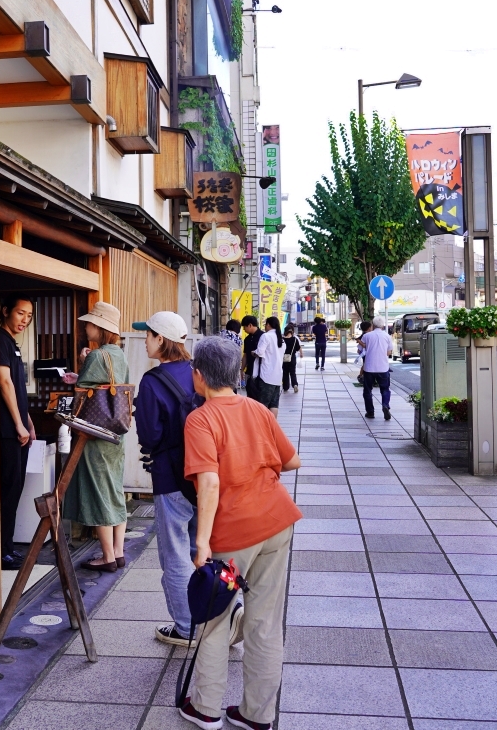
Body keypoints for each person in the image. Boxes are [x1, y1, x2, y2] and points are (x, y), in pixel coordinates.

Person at [177, 336, 302, 730]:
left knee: (216, 620)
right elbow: (292, 460)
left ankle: (206, 708)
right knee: (265, 622)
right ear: (238, 372)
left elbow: (209, 484)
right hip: (277, 524)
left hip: (233, 539)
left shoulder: (200, 419)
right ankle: (257, 715)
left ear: (199, 376)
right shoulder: (257, 408)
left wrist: (201, 544)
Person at [132, 311, 200, 646]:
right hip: (205, 477)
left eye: (148, 335)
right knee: (203, 550)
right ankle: (221, 618)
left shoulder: (153, 381)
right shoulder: (199, 374)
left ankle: (187, 628)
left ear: (162, 339)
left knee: (174, 554)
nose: (145, 340)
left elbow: (149, 435)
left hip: (170, 477)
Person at [63, 301, 130, 573]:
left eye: (90, 323)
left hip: (95, 433)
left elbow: (83, 392)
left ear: (100, 328)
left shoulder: (96, 355)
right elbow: (108, 387)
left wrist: (82, 364)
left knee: (98, 491)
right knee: (114, 489)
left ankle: (106, 556)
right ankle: (118, 551)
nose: (86, 326)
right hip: (116, 431)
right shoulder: (119, 354)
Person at [0, 295, 36, 570]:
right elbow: (4, 382)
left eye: (29, 316)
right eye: (20, 313)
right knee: (9, 490)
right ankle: (2, 552)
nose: (24, 320)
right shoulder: (0, 339)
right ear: (6, 311)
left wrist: (29, 421)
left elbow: (19, 391)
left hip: (19, 429)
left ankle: (8, 548)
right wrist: (19, 425)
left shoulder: (13, 343)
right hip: (8, 432)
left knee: (16, 489)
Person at [359, 315, 393, 420]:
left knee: (367, 390)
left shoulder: (367, 336)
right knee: (385, 389)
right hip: (383, 367)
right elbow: (389, 352)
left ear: (373, 325)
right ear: (383, 325)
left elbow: (360, 350)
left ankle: (370, 412)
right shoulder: (387, 336)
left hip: (369, 367)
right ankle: (385, 405)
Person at [248, 316, 283, 417]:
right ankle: (273, 427)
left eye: (265, 325)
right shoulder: (280, 338)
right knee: (274, 404)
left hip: (266, 376)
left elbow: (260, 352)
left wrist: (253, 353)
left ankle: (263, 427)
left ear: (268, 325)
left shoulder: (266, 336)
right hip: (277, 376)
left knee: (263, 404)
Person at [240, 315, 260, 393]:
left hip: (260, 373)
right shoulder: (247, 339)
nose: (244, 329)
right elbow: (245, 355)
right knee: (250, 394)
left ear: (250, 325)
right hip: (249, 371)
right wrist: (242, 370)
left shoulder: (263, 336)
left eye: (244, 327)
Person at [281, 325, 302, 393]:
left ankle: (286, 387)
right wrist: (301, 353)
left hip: (284, 358)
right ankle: (295, 384)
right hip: (292, 358)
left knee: (285, 373)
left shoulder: (282, 340)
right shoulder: (295, 339)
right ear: (291, 332)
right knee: (293, 372)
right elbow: (298, 348)